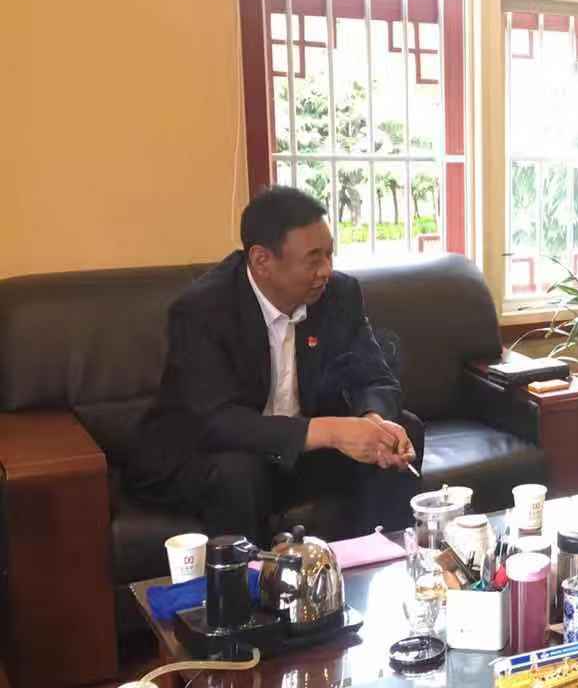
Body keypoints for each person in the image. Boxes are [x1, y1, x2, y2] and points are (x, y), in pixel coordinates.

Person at [129, 187, 424, 543]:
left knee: (400, 432)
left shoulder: (339, 295)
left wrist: (372, 421)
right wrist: (331, 431)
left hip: (293, 453)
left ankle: (381, 560)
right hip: (205, 454)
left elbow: (374, 376)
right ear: (261, 260)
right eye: (313, 260)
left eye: (329, 254)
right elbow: (216, 422)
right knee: (239, 471)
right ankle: (250, 578)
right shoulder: (203, 310)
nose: (326, 270)